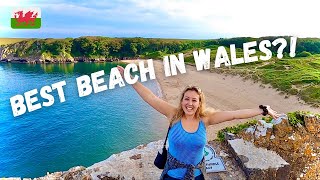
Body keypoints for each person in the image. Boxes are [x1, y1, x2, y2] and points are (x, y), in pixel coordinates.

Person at [116, 65, 280, 180]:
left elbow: (234, 115)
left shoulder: (206, 119)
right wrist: (129, 78)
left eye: (194, 100)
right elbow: (150, 97)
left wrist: (262, 110)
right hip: (172, 175)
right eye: (186, 99)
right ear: (181, 101)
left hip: (197, 175)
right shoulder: (173, 114)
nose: (189, 103)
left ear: (199, 103)